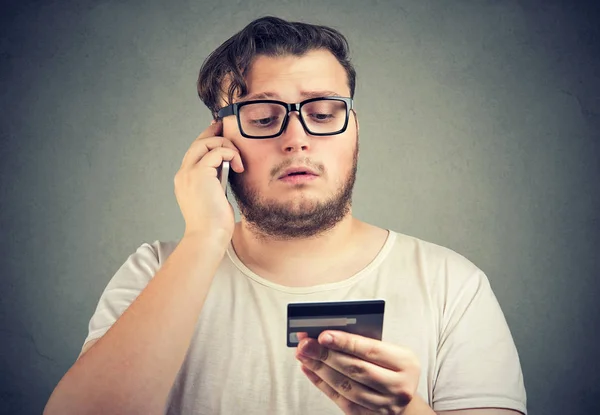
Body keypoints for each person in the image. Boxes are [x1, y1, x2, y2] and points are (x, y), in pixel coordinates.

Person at [45, 16, 527, 415]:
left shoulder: (452, 286)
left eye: (321, 113)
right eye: (262, 117)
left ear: (354, 130)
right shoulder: (155, 272)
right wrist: (204, 239)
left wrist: (406, 413)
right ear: (218, 140)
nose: (296, 138)